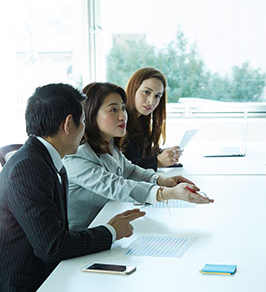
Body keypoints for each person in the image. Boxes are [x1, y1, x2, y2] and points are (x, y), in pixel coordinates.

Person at [0, 84, 145, 291]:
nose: (86, 128)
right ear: (69, 123)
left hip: (51, 273)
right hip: (31, 283)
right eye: (84, 121)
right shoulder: (28, 168)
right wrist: (111, 231)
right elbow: (52, 247)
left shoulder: (47, 158)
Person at [64, 82, 213, 231]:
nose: (123, 116)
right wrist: (169, 193)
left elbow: (131, 171)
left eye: (123, 108)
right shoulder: (77, 157)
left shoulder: (108, 145)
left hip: (105, 223)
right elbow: (117, 186)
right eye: (113, 110)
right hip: (83, 237)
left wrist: (163, 180)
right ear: (91, 114)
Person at [122, 67, 181, 170]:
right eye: (146, 92)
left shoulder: (142, 121)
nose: (152, 102)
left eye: (157, 96)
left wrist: (162, 154)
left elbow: (138, 156)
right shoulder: (119, 122)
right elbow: (124, 167)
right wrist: (156, 162)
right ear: (133, 89)